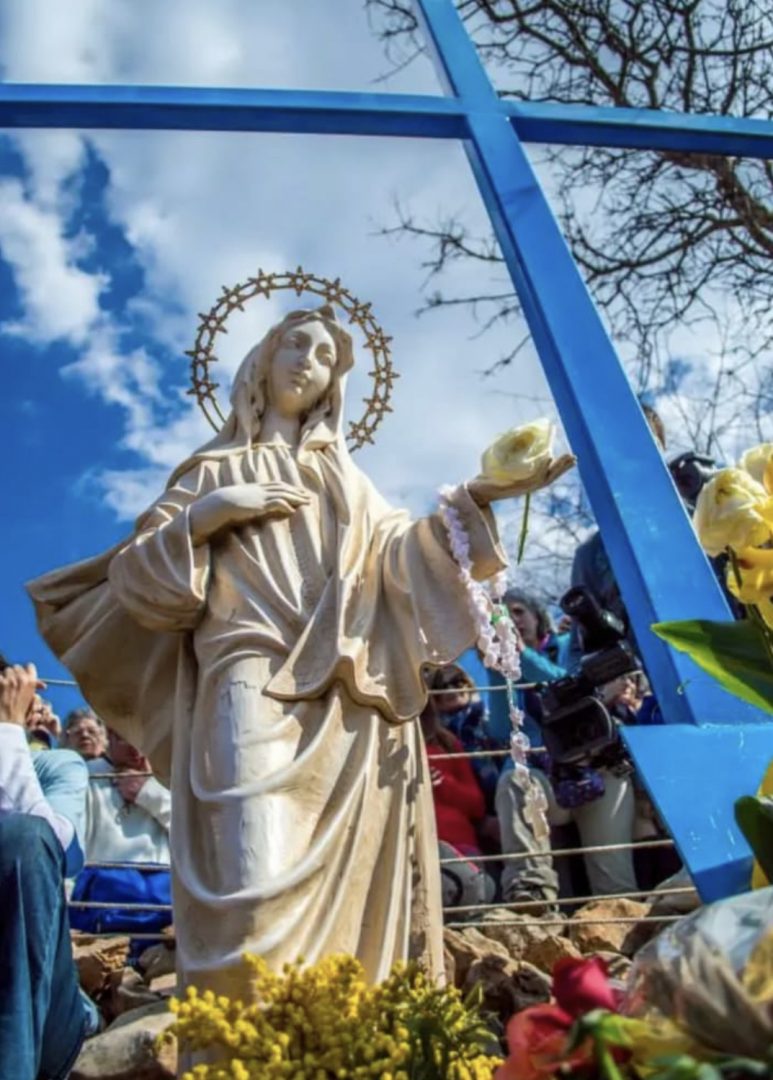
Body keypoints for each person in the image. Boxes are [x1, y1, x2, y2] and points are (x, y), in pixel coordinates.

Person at [28, 302, 575, 1001]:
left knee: (353, 887)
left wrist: (475, 498)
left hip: (350, 695)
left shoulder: (351, 483)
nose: (308, 363)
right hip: (244, 664)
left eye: (324, 358)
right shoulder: (212, 469)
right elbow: (141, 578)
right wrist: (209, 515)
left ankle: (342, 1036)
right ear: (262, 358)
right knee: (247, 863)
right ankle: (246, 1036)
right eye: (295, 345)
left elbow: (400, 564)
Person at [0, 660, 92, 1080]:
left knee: (25, 838)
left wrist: (8, 735)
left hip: (44, 1016)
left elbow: (57, 849)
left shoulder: (57, 767)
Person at [69, 729, 172, 941]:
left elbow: (194, 832)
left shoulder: (167, 777)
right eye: (129, 741)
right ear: (111, 735)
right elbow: (70, 847)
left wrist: (147, 793)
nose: (138, 752)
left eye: (146, 743)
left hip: (163, 906)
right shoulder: (86, 775)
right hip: (100, 908)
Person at [420, 698, 495, 916]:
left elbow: (477, 805)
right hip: (414, 847)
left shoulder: (448, 744)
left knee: (472, 900)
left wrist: (443, 782)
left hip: (460, 846)